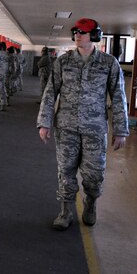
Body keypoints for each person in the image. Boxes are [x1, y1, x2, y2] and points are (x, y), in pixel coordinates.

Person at [37, 18, 129, 231]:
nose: (78, 35)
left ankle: (91, 202)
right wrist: (44, 122)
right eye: (76, 31)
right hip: (66, 127)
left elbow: (118, 96)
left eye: (83, 32)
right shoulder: (63, 62)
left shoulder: (108, 63)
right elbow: (50, 92)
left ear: (95, 36)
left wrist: (121, 130)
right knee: (65, 171)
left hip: (95, 129)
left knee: (93, 175)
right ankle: (66, 210)